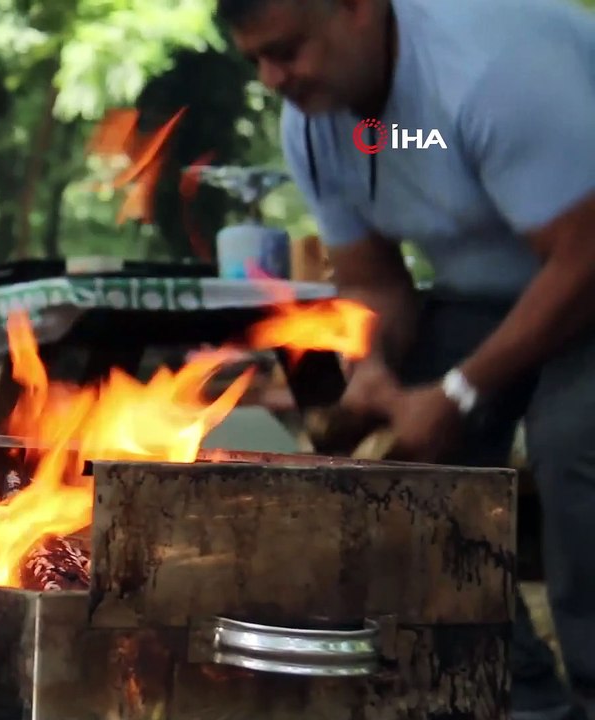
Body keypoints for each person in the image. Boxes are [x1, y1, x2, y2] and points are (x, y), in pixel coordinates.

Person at [220, 0, 595, 718]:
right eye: (257, 60)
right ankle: (522, 697)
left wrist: (457, 392)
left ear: (358, 10)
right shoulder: (319, 120)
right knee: (392, 472)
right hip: (494, 291)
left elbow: (584, 259)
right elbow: (372, 283)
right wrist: (374, 369)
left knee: (575, 439)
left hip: (586, 270)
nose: (274, 78)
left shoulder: (490, 71)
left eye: (288, 50)